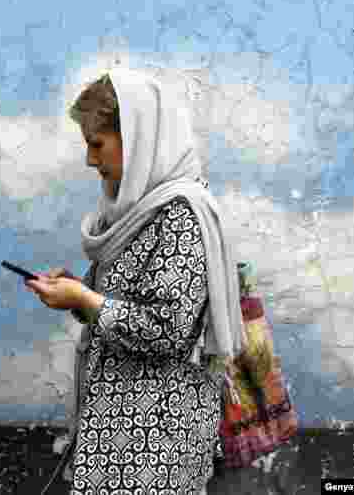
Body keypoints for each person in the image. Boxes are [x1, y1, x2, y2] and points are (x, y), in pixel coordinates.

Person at [24, 68, 246, 495]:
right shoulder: (141, 210)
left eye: (97, 144)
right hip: (121, 434)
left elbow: (167, 328)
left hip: (155, 441)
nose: (90, 159)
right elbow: (124, 301)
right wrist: (77, 294)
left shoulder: (181, 215)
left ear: (141, 138)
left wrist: (88, 301)